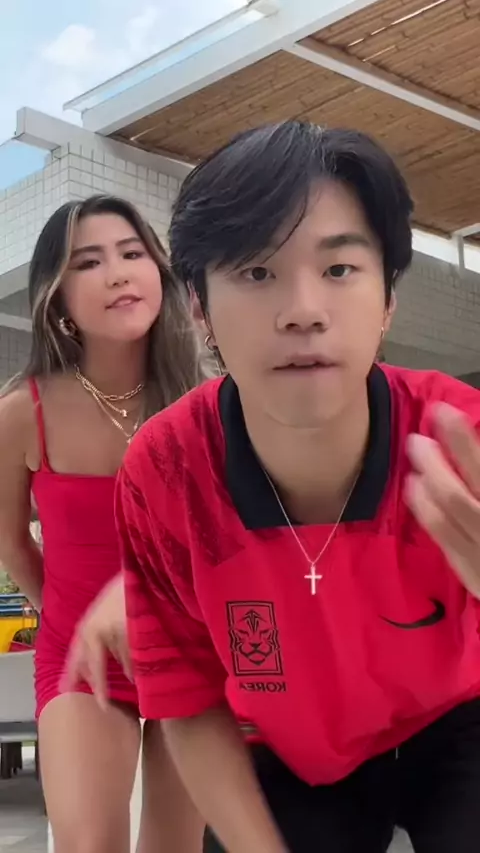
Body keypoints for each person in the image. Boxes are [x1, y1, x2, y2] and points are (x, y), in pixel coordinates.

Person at [117, 120, 480, 853]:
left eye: (340, 269)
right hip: (293, 752)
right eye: (257, 273)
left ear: (388, 298)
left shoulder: (459, 438)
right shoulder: (166, 472)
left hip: (461, 720)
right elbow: (186, 698)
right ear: (198, 307)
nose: (303, 310)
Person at [0, 194, 205, 853]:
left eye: (131, 253)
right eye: (88, 262)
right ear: (58, 298)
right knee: (89, 844)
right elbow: (10, 542)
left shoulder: (204, 404)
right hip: (79, 658)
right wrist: (71, 616)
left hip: (191, 653)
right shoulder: (22, 411)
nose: (117, 274)